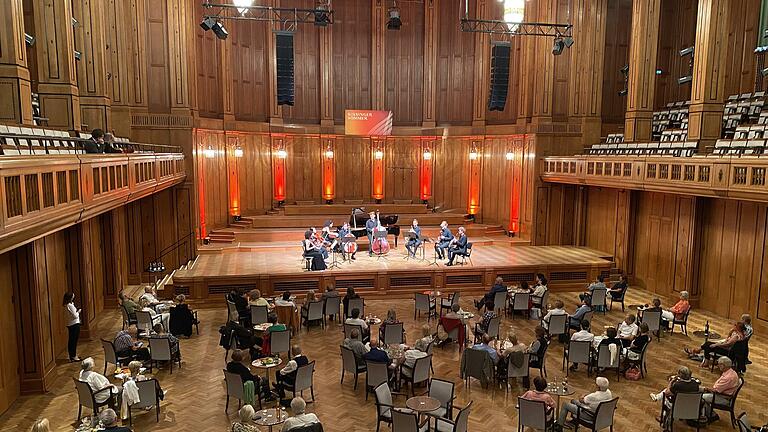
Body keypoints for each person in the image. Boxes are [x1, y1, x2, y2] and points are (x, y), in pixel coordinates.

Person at [63, 292, 81, 362]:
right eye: (73, 297)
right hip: (74, 324)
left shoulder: (66, 305)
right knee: (73, 341)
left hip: (70, 324)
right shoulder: (70, 305)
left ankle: (72, 355)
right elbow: (75, 316)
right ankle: (73, 356)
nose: (73, 298)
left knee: (71, 341)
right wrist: (78, 311)